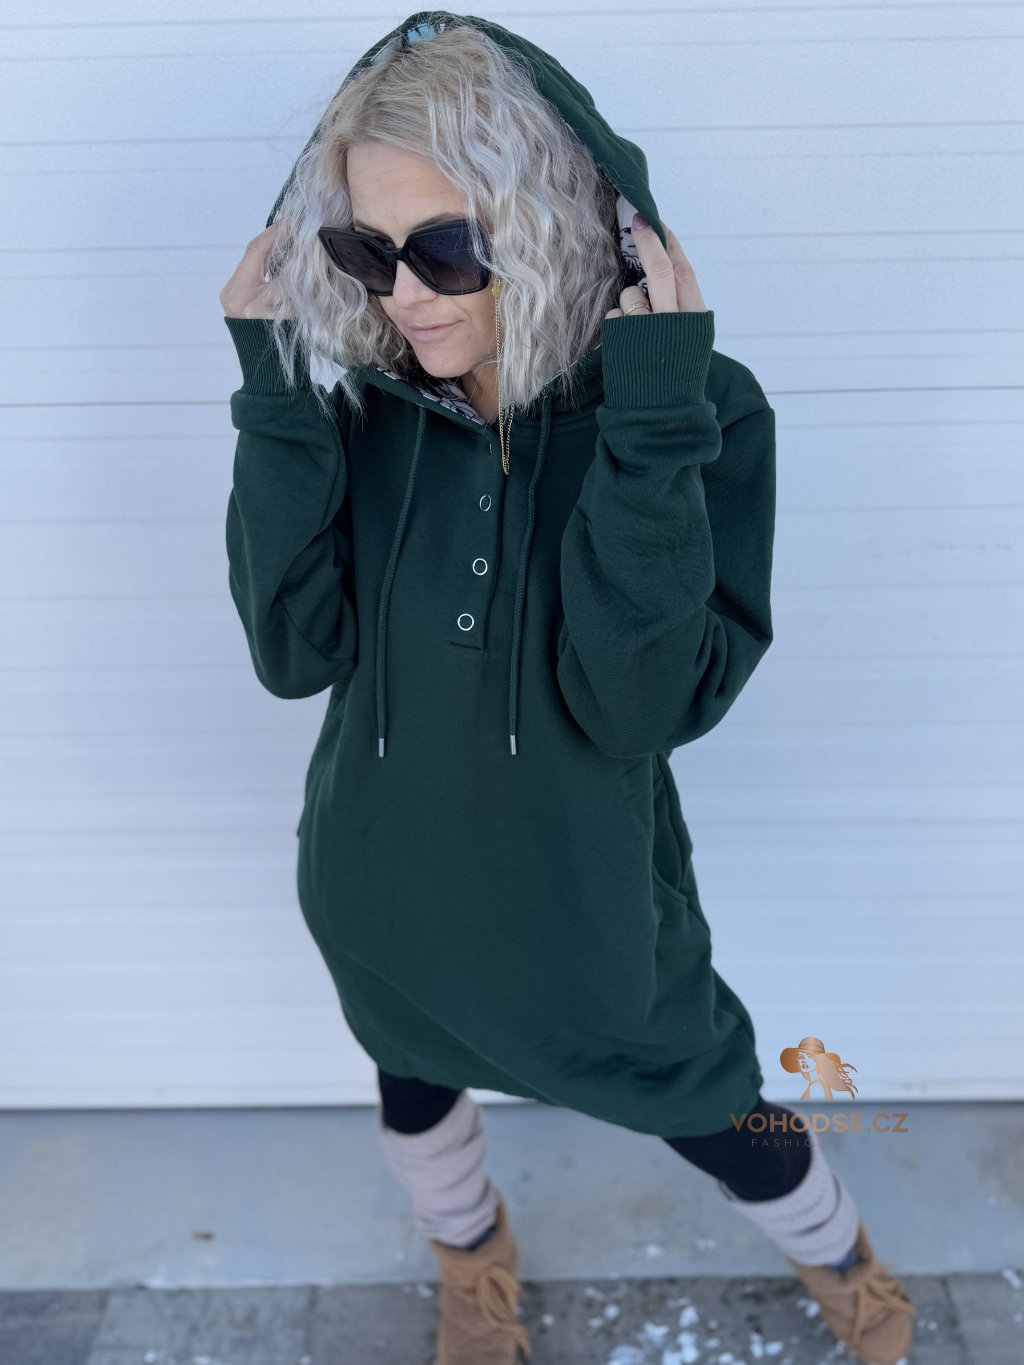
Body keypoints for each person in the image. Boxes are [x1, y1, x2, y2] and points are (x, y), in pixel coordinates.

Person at [217, 13, 915, 1365]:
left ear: (546, 221)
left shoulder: (697, 408)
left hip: (589, 909)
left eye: (446, 246)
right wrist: (273, 398)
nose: (404, 294)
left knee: (718, 1106)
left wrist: (651, 425)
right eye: (365, 251)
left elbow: (638, 704)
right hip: (382, 880)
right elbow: (293, 652)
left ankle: (847, 1262)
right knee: (415, 1086)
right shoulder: (360, 411)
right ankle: (472, 1266)